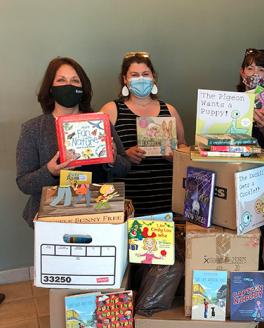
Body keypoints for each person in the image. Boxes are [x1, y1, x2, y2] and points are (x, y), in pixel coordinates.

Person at [16, 57, 130, 227]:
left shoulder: (99, 123)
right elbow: (24, 183)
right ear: (51, 88)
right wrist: (50, 171)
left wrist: (113, 159)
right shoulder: (33, 129)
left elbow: (126, 167)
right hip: (51, 221)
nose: (68, 85)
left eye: (75, 81)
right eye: (61, 80)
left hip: (100, 216)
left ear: (83, 88)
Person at [100, 52, 186, 217]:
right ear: (125, 79)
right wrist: (124, 155)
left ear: (153, 77)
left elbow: (183, 146)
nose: (141, 79)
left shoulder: (170, 110)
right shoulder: (111, 110)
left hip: (165, 198)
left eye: (145, 74)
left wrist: (176, 155)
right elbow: (100, 152)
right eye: (134, 75)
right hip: (126, 200)